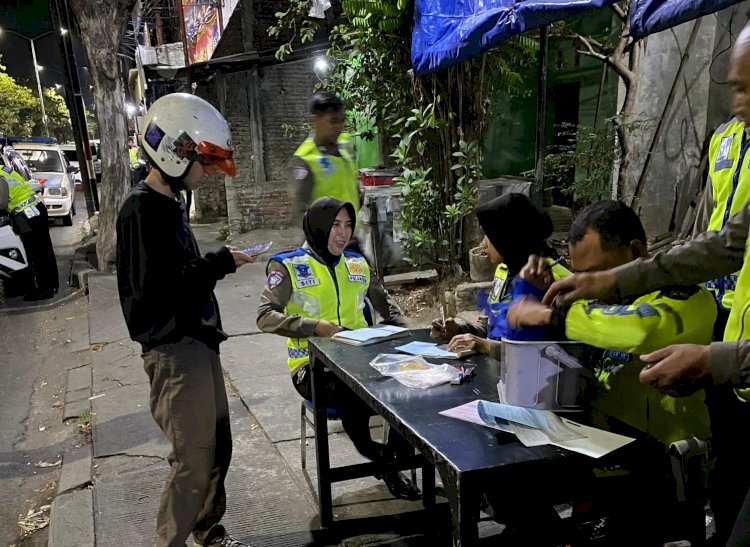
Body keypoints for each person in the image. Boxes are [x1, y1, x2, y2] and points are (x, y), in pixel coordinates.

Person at [116, 93, 255, 547]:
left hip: (197, 343)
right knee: (193, 460)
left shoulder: (169, 203)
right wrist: (221, 262)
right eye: (206, 161)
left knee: (217, 448)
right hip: (174, 352)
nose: (209, 172)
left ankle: (207, 529)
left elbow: (178, 279)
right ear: (176, 151)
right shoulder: (141, 210)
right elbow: (157, 293)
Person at [506, 201, 714, 444]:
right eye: (578, 273)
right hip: (600, 439)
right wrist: (543, 275)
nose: (585, 284)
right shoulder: (598, 299)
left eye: (594, 274)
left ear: (635, 252)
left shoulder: (689, 298)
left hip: (665, 452)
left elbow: (642, 330)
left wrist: (553, 317)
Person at [256, 197, 419, 500]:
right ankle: (385, 461)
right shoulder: (288, 265)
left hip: (361, 360)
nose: (342, 234)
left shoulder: (357, 262)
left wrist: (410, 333)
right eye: (335, 225)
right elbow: (265, 317)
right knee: (354, 394)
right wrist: (315, 327)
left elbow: (388, 308)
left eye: (347, 225)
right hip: (312, 369)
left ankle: (396, 458)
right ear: (318, 227)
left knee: (407, 383)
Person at [431, 193, 567, 356]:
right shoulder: (505, 270)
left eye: (489, 234)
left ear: (507, 235)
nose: (482, 243)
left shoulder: (552, 279)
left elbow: (545, 350)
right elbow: (493, 327)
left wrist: (487, 346)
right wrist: (459, 329)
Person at [290, 91, 363, 226]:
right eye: (333, 121)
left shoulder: (345, 145)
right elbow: (301, 213)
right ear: (315, 119)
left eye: (341, 121)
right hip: (328, 242)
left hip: (351, 236)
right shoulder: (305, 159)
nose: (339, 127)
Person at [0, 166, 58, 300]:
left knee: (36, 253)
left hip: (26, 216)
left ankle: (44, 290)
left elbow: (2, 203)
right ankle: (51, 286)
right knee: (45, 251)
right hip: (36, 208)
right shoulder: (4, 169)